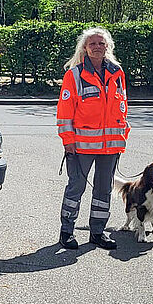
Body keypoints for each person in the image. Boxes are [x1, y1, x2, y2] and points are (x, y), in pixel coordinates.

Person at [56, 27, 129, 250]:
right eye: (92, 44)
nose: (97, 47)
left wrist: (123, 132)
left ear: (108, 47)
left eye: (101, 43)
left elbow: (123, 106)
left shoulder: (117, 72)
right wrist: (68, 141)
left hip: (110, 146)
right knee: (76, 188)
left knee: (103, 190)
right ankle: (66, 232)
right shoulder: (74, 75)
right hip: (80, 145)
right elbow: (65, 112)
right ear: (85, 49)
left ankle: (98, 232)